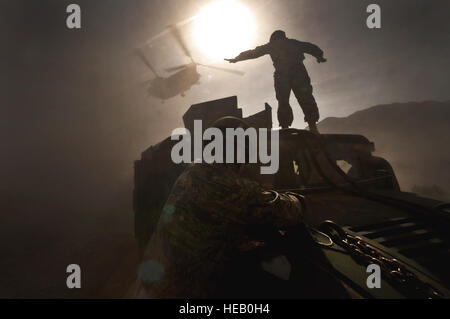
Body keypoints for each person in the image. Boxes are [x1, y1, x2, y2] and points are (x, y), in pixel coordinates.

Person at [134, 146, 305, 298]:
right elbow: (287, 212)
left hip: (155, 285)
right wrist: (297, 199)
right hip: (183, 292)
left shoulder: (194, 171)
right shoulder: (226, 185)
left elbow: (207, 220)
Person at [225, 30, 326, 133]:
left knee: (284, 102)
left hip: (283, 75)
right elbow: (310, 47)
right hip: (297, 73)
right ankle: (312, 126)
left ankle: (285, 127)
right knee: (305, 98)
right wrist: (319, 56)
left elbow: (254, 53)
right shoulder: (293, 43)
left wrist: (237, 58)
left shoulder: (272, 45)